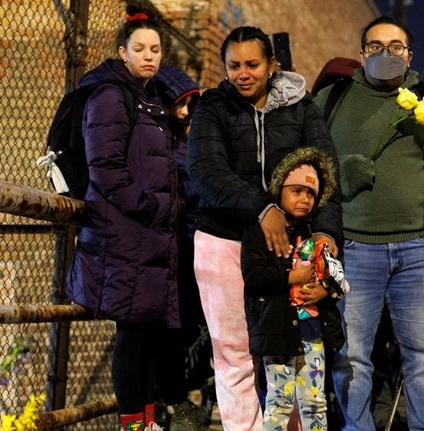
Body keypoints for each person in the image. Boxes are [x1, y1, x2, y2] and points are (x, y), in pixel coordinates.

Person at [186, 26, 342, 431]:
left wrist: (326, 239)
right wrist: (263, 208)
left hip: (289, 246)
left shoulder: (301, 108)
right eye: (233, 65)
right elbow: (205, 171)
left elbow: (326, 176)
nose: (243, 73)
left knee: (287, 351)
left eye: (252, 64)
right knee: (235, 355)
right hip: (224, 240)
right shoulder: (212, 106)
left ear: (272, 65)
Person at [314, 15, 424, 431]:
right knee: (352, 357)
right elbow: (310, 164)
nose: (386, 53)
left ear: (409, 55)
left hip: (420, 252)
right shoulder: (332, 99)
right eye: (375, 46)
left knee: (423, 357)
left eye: (395, 46)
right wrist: (341, 171)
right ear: (362, 54)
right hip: (355, 250)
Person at [64, 6, 180, 431]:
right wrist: (152, 207)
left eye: (155, 49)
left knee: (146, 332)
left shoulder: (149, 98)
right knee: (131, 333)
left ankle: (145, 422)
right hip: (124, 234)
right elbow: (106, 167)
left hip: (149, 236)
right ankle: (134, 425)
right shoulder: (111, 94)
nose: (149, 56)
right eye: (140, 49)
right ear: (122, 51)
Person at [241, 147, 345, 431]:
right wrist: (292, 276)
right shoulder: (259, 233)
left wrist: (324, 290)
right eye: (297, 191)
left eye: (311, 193)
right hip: (278, 332)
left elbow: (335, 277)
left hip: (312, 332)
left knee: (315, 401)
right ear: (279, 191)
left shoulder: (313, 233)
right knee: (279, 401)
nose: (305, 199)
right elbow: (254, 277)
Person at [153, 66, 213, 431]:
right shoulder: (164, 145)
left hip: (193, 249)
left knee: (187, 331)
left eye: (191, 104)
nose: (187, 112)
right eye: (181, 105)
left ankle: (181, 401)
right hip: (173, 250)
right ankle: (170, 403)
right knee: (170, 333)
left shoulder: (187, 143)